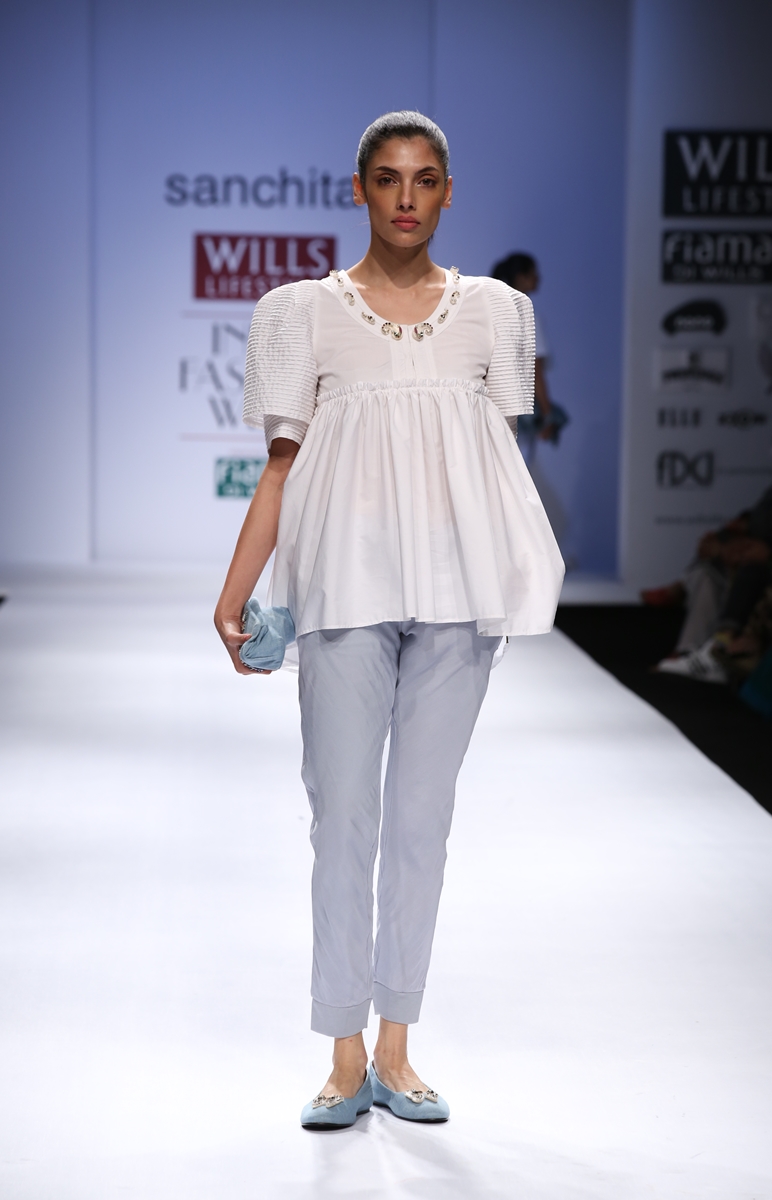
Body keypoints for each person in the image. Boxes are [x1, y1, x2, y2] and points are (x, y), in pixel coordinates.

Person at [214, 112, 564, 1130]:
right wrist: (236, 591)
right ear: (359, 188)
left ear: (447, 191)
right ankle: (343, 1054)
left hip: (458, 593)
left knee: (420, 821)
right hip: (342, 588)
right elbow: (282, 467)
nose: (405, 197)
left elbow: (493, 464)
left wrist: (514, 572)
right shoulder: (300, 314)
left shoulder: (495, 313)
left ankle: (397, 1048)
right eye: (386, 178)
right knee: (342, 819)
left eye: (423, 179)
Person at [648, 422, 772, 681]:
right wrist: (729, 536)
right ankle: (692, 651)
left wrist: (766, 549)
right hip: (767, 550)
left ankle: (720, 645)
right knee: (708, 570)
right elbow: (756, 519)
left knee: (748, 568)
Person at [491, 252, 568, 470]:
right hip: (517, 411)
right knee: (514, 476)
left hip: (488, 406)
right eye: (533, 273)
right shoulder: (528, 317)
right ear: (521, 277)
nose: (538, 277)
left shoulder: (491, 313)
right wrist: (547, 414)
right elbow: (535, 371)